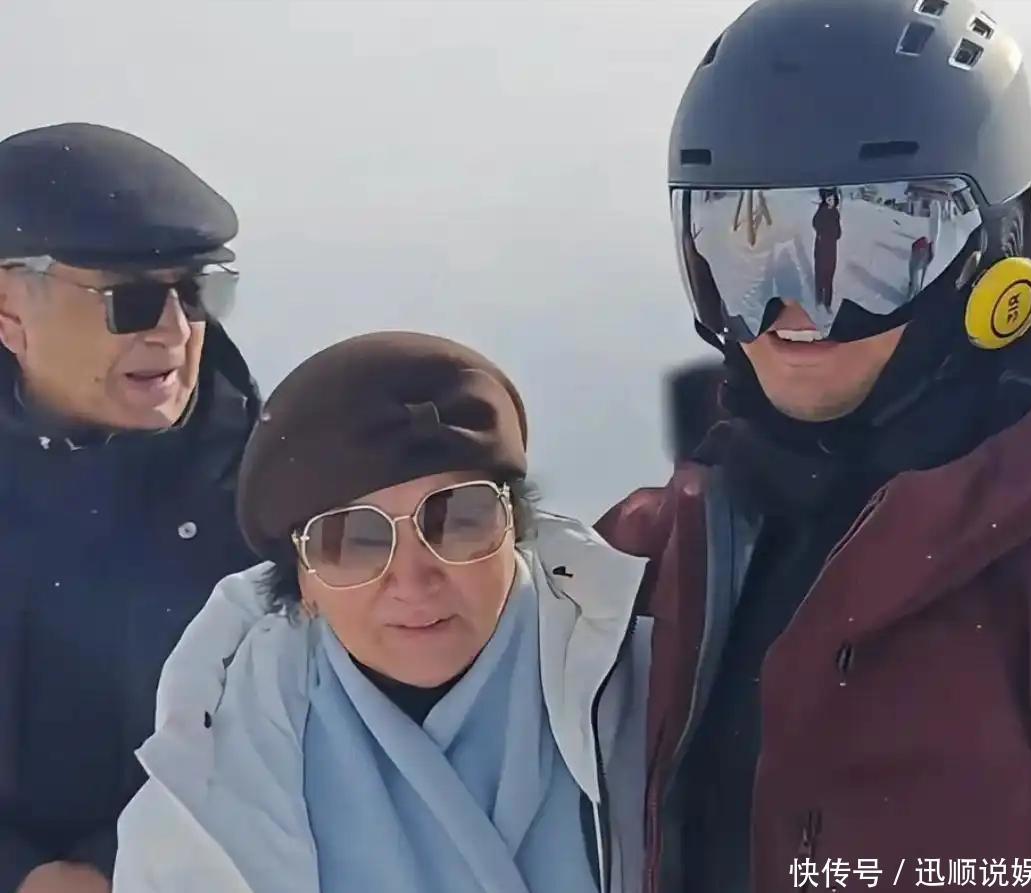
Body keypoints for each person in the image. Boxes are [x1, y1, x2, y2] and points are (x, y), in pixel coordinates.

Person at [597, 1, 1031, 891]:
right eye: (742, 246)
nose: (791, 312)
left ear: (992, 252)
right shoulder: (664, 551)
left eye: (868, 250)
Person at [112, 332, 651, 893]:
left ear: (514, 526)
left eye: (456, 518)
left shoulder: (660, 690)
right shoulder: (208, 792)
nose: (413, 580)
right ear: (302, 582)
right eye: (353, 539)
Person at [0, 123, 260, 893]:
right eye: (132, 301)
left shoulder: (276, 504)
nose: (175, 330)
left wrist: (120, 868)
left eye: (200, 292)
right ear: (9, 309)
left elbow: (310, 740)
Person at [812, 189, 841, 308]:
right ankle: (819, 300)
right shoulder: (821, 211)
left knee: (830, 275)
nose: (830, 201)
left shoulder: (836, 213)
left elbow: (838, 233)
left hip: (831, 249)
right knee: (820, 273)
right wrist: (822, 232)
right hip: (821, 248)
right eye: (828, 198)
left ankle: (827, 303)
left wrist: (836, 232)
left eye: (832, 198)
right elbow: (815, 223)